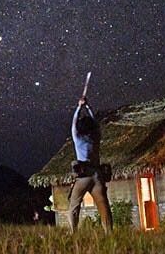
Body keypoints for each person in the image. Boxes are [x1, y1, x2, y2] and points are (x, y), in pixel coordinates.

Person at [68, 96, 112, 232]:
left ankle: (73, 232)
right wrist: (88, 107)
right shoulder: (96, 138)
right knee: (103, 205)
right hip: (97, 175)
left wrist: (79, 107)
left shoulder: (78, 139)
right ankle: (109, 233)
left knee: (74, 205)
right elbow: (96, 123)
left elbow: (73, 124)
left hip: (84, 175)